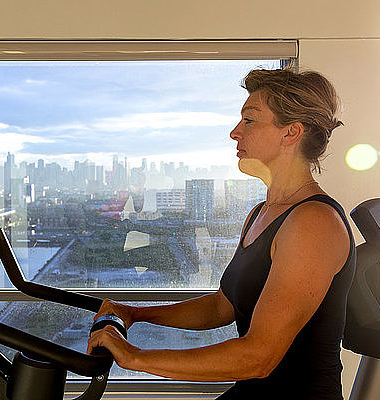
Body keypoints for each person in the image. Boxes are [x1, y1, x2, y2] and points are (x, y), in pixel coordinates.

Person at [87, 68, 356, 399]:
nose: (234, 132)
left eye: (250, 120)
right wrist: (135, 314)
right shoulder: (261, 213)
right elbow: (221, 306)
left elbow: (259, 357)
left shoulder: (314, 223)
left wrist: (134, 357)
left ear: (290, 133)